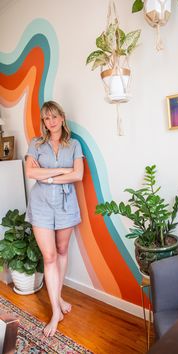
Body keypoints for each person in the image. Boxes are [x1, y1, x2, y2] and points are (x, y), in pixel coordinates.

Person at [25, 101, 84, 337]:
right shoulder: (36, 144)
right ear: (44, 121)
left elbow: (78, 175)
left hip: (66, 206)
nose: (50, 121)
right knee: (48, 257)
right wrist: (61, 172)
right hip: (40, 206)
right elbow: (30, 172)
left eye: (54, 116)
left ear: (62, 117)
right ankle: (55, 313)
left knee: (61, 252)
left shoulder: (74, 145)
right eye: (46, 118)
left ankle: (58, 297)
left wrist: (46, 176)